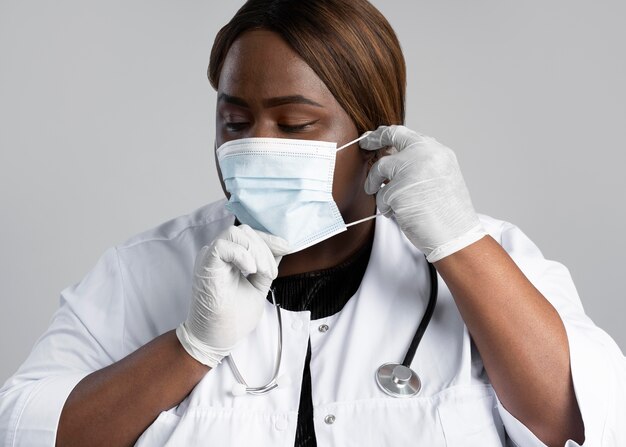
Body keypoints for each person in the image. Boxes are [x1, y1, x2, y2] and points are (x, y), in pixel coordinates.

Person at [1, 0, 625, 445]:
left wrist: (458, 246)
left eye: (295, 125)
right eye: (235, 123)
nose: (255, 146)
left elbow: (588, 423)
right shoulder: (142, 271)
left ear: (377, 134)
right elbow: (26, 429)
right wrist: (190, 348)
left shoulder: (486, 260)